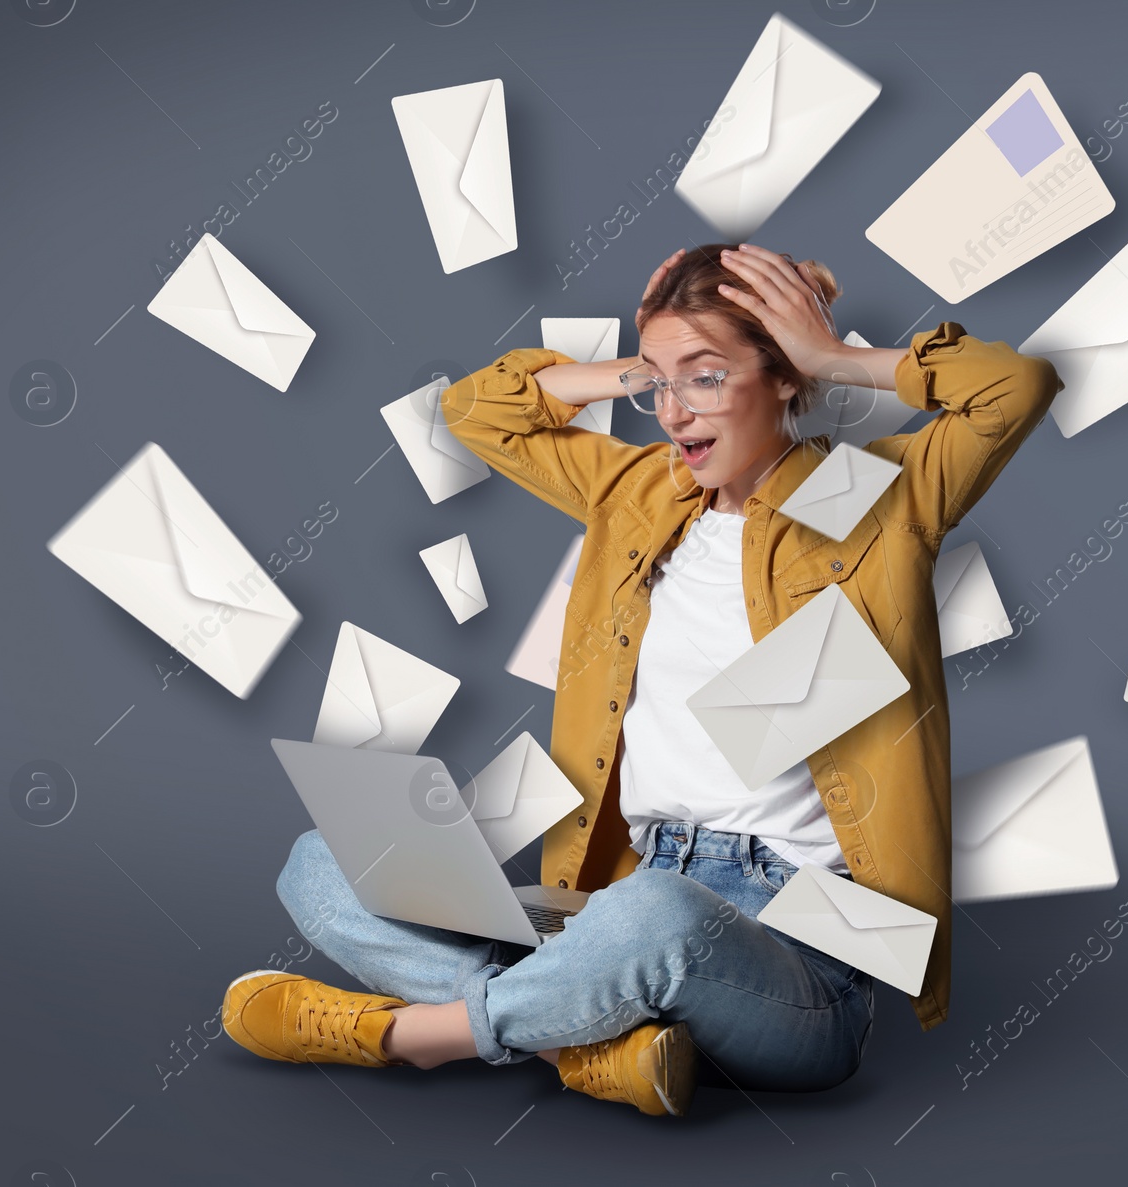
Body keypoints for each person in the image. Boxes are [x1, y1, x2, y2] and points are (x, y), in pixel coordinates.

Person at [221, 243, 1062, 1117]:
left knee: (652, 915)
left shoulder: (875, 494)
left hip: (805, 946)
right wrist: (650, 360)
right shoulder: (640, 491)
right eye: (659, 384)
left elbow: (1017, 386)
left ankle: (409, 1037)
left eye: (706, 378)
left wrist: (833, 357)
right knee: (323, 862)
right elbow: (476, 410)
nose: (672, 411)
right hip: (622, 896)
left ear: (781, 377)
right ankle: (597, 1046)